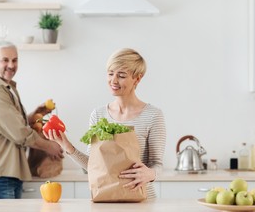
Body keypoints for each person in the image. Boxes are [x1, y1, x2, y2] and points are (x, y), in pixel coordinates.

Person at [46, 48, 166, 199]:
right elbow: (93, 166)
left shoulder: (153, 115)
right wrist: (67, 146)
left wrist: (150, 173)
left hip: (143, 201)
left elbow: (157, 164)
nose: (113, 81)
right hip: (106, 201)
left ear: (137, 79)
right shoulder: (98, 115)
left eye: (121, 75)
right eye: (110, 74)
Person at [0, 41, 63, 199]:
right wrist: (48, 146)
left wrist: (34, 114)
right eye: (5, 60)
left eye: (15, 60)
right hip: (0, 172)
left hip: (8, 172)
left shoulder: (7, 88)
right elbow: (19, 133)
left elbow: (10, 124)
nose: (11, 65)